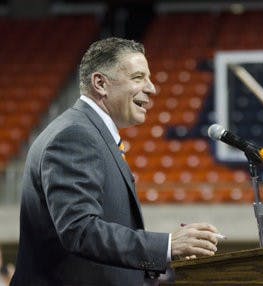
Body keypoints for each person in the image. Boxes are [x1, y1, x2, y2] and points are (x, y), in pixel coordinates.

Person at [11, 37, 220, 286]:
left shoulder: (89, 133)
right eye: (138, 77)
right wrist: (167, 246)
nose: (152, 88)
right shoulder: (75, 135)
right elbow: (80, 230)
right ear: (100, 83)